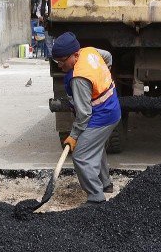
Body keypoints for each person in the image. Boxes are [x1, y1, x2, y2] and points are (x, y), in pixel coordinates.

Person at [50, 32, 121, 205]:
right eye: (56, 61)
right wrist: (105, 72)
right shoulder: (89, 51)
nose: (59, 65)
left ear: (75, 55)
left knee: (81, 155)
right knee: (95, 145)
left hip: (102, 115)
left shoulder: (79, 78)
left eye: (62, 61)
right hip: (111, 107)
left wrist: (73, 136)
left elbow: (84, 115)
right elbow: (108, 56)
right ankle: (106, 184)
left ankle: (96, 197)